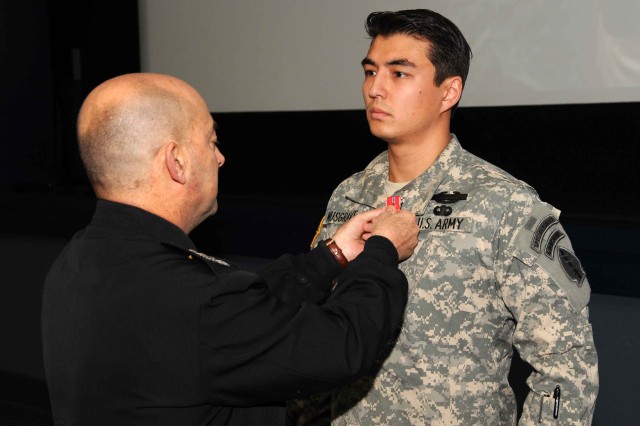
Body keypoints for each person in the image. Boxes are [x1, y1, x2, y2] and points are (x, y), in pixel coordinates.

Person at [40, 72, 420, 426]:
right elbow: (340, 346)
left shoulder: (81, 260)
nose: (220, 157)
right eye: (210, 140)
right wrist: (383, 250)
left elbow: (242, 318)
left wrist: (332, 257)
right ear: (177, 161)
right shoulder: (191, 301)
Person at [294, 9, 599, 426]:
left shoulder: (503, 203)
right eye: (370, 72)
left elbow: (567, 368)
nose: (375, 89)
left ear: (449, 91)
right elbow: (314, 336)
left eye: (399, 74)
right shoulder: (348, 197)